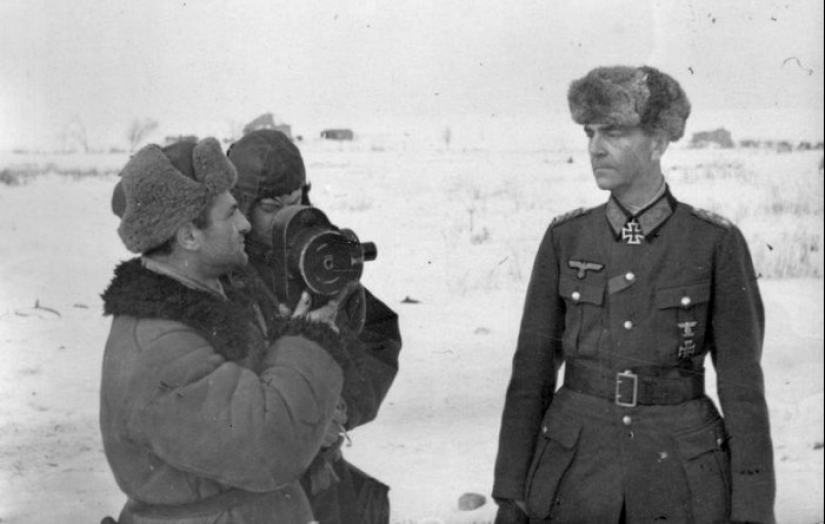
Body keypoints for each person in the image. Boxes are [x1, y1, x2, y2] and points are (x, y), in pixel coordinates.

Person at [492, 66, 775, 524]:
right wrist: (511, 495)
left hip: (679, 478)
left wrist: (752, 511)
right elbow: (530, 378)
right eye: (590, 132)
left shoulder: (713, 243)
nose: (595, 148)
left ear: (659, 142)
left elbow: (743, 391)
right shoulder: (567, 239)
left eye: (615, 132)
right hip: (576, 473)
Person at [100, 137, 359, 523]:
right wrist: (307, 338)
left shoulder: (217, 296)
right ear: (188, 236)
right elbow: (268, 447)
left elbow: (256, 391)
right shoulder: (159, 349)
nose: (244, 225)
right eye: (231, 214)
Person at [226, 129, 402, 524]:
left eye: (296, 201)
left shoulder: (316, 252)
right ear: (241, 207)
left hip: (320, 479)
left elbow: (377, 335)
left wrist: (341, 408)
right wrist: (306, 416)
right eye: (272, 207)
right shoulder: (222, 270)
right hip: (254, 489)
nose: (288, 216)